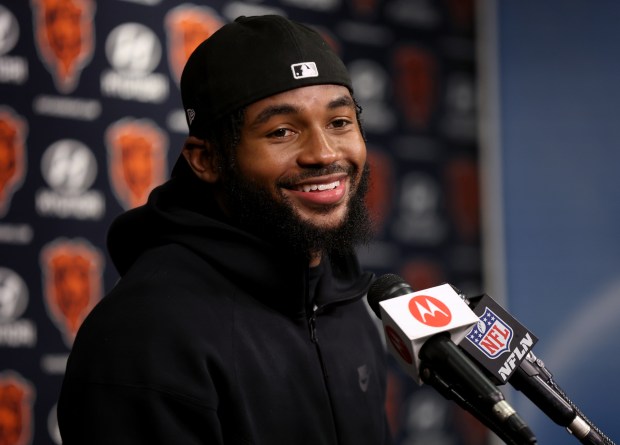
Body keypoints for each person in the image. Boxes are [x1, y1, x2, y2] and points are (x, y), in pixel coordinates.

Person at [57, 14, 391, 445]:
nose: (324, 154)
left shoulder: (346, 302)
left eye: (340, 122)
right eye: (282, 131)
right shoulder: (147, 333)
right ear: (207, 160)